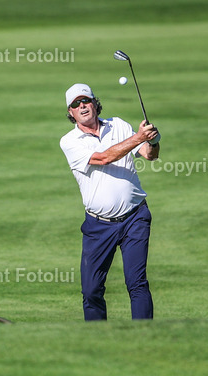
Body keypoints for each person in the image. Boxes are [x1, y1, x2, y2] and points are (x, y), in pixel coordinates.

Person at [59, 83, 160, 321]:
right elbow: (103, 158)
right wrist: (138, 137)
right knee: (91, 290)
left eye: (86, 100)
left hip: (134, 217)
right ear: (71, 112)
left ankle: (145, 336)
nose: (82, 106)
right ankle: (98, 338)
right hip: (98, 225)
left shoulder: (119, 125)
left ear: (95, 103)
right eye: (76, 104)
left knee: (137, 283)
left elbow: (149, 155)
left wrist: (154, 141)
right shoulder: (70, 141)